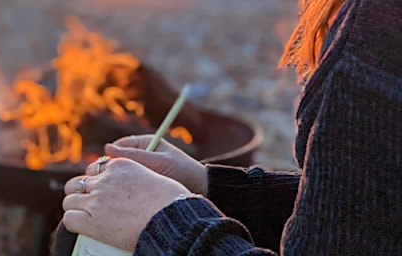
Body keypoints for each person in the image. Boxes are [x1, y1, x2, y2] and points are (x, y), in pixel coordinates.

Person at [55, 0, 402, 254]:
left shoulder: (376, 32)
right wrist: (212, 188)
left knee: (75, 239)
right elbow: (369, 216)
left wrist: (165, 220)